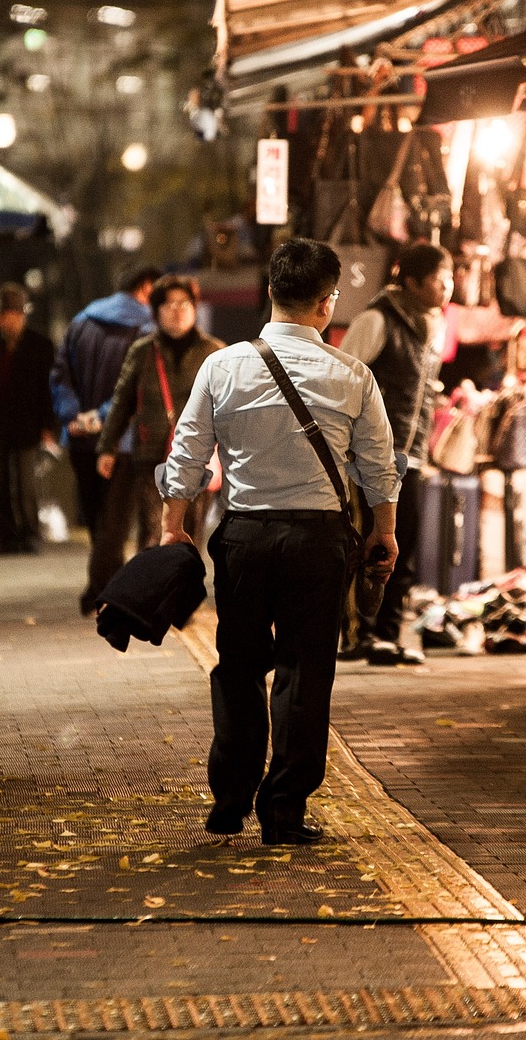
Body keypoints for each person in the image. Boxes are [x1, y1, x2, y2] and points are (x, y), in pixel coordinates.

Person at [158, 239, 400, 845]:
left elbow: (186, 451)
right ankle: (284, 810)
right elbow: (379, 466)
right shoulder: (352, 375)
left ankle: (229, 801)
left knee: (239, 666)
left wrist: (174, 525)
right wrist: (385, 531)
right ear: (327, 303)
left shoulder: (223, 366)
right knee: (304, 670)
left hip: (244, 538)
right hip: (318, 541)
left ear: (270, 294)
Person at [337, 242, 452, 665]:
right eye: (441, 279)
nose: (448, 288)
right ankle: (356, 635)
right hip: (370, 457)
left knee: (402, 549)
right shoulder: (376, 319)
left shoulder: (432, 325)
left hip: (413, 455)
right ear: (412, 282)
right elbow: (342, 381)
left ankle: (387, 634)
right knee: (365, 543)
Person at [93, 275, 225, 603]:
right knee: (153, 529)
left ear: (195, 309)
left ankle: (181, 598)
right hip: (152, 455)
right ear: (156, 312)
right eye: (168, 304)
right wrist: (107, 447)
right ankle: (150, 596)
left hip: (200, 458)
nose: (177, 311)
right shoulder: (142, 351)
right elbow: (122, 401)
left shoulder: (215, 352)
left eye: (184, 304)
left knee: (191, 533)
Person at [53, 265, 160, 609]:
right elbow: (135, 388)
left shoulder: (81, 321)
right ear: (146, 287)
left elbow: (59, 375)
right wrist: (101, 418)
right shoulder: (147, 327)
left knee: (97, 516)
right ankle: (102, 591)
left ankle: (105, 589)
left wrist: (73, 416)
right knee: (115, 521)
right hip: (122, 440)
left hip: (80, 439)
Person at [0, 283, 57, 554]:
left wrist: (48, 425)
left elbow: (48, 388)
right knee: (0, 483)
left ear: (19, 315)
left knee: (25, 482)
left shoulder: (40, 345)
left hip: (27, 423)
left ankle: (30, 532)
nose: (2, 320)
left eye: (7, 314)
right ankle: (7, 535)